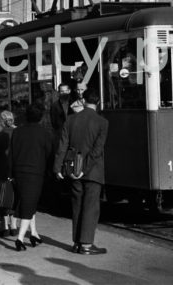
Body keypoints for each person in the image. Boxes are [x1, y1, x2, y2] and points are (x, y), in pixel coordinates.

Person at [54, 88, 108, 255]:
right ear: (98, 102)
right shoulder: (102, 123)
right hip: (92, 171)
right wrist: (84, 169)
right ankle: (86, 244)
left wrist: (58, 167)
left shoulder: (70, 120)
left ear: (83, 101)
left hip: (72, 169)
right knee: (91, 207)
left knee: (77, 205)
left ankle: (77, 242)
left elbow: (62, 145)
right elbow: (97, 150)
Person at [9, 102, 54, 251]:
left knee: (28, 201)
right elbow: (49, 153)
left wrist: (11, 173)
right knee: (29, 203)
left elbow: (12, 154)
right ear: (40, 117)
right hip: (35, 172)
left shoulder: (17, 132)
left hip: (19, 171)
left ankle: (34, 234)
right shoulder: (44, 133)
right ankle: (20, 238)